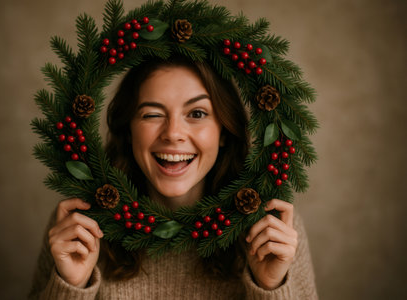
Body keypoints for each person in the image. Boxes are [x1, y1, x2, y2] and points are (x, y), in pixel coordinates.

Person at [29, 57, 318, 299]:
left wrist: (271, 287)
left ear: (223, 132)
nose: (173, 133)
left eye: (197, 113)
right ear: (129, 131)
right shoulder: (79, 227)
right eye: (152, 114)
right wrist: (71, 287)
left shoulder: (272, 229)